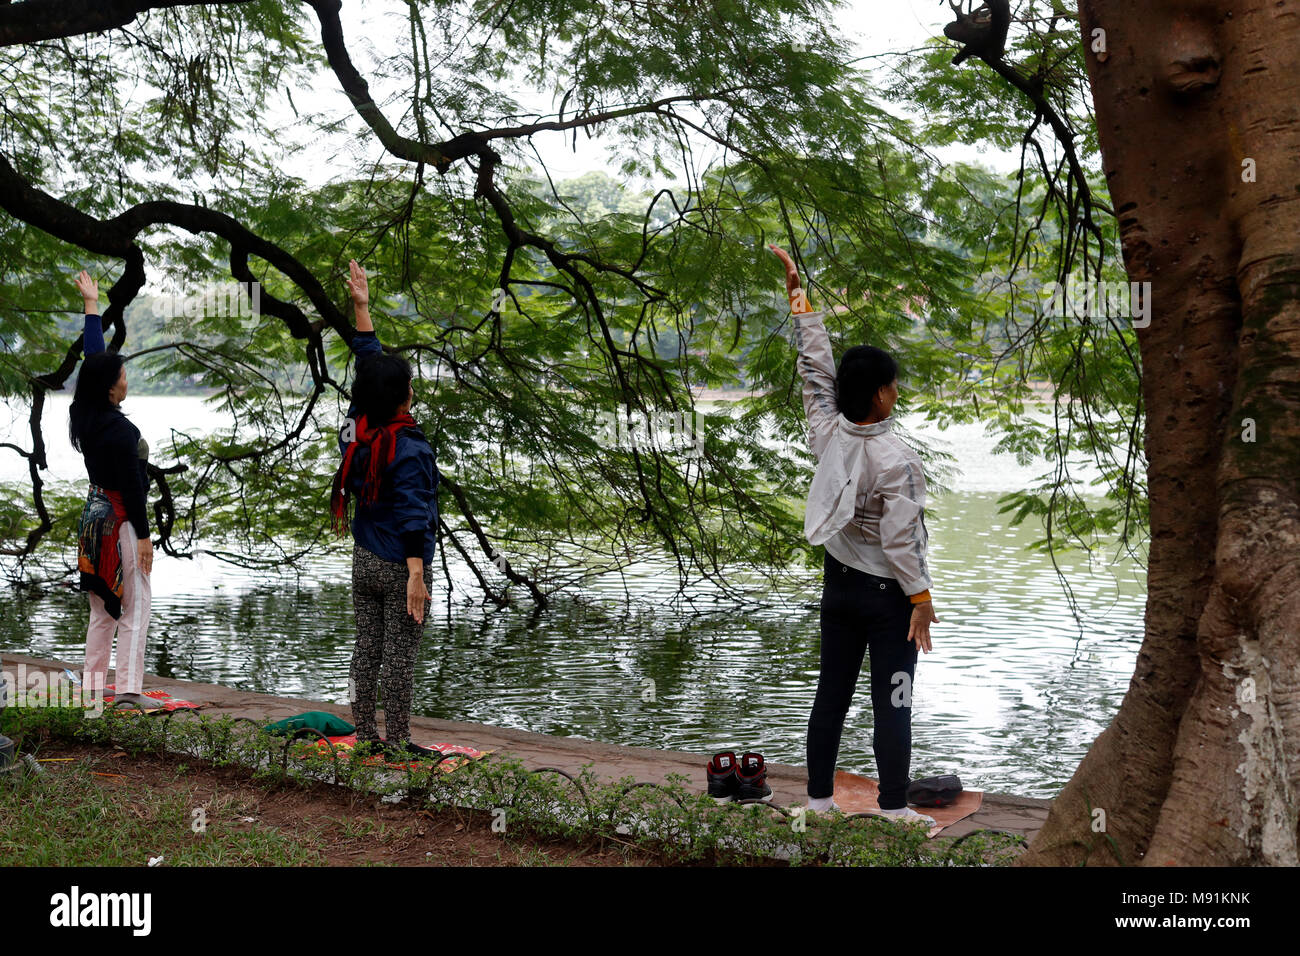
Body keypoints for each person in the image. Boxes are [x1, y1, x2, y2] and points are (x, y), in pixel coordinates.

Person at [769, 245, 940, 825]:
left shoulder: (826, 433)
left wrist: (800, 299)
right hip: (889, 599)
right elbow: (902, 541)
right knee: (894, 700)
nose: (896, 391)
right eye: (892, 384)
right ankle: (893, 808)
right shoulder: (898, 459)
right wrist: (921, 600)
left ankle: (817, 802)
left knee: (831, 695)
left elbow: (816, 370)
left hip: (837, 588)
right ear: (879, 395)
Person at [331, 259, 440, 760]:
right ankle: (397, 745)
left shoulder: (358, 429)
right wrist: (416, 575)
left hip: (363, 559)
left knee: (367, 649)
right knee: (398, 656)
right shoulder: (410, 448)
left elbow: (367, 367)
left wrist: (362, 310)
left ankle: (367, 739)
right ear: (402, 397)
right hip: (400, 564)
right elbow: (414, 515)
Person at [70, 270, 154, 709]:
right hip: (121, 520)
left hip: (93, 517)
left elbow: (92, 360)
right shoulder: (122, 433)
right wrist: (143, 537)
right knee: (136, 605)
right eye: (123, 371)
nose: (126, 374)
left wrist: (91, 307)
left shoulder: (85, 413)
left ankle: (91, 690)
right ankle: (127, 691)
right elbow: (134, 490)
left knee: (102, 608)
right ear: (112, 386)